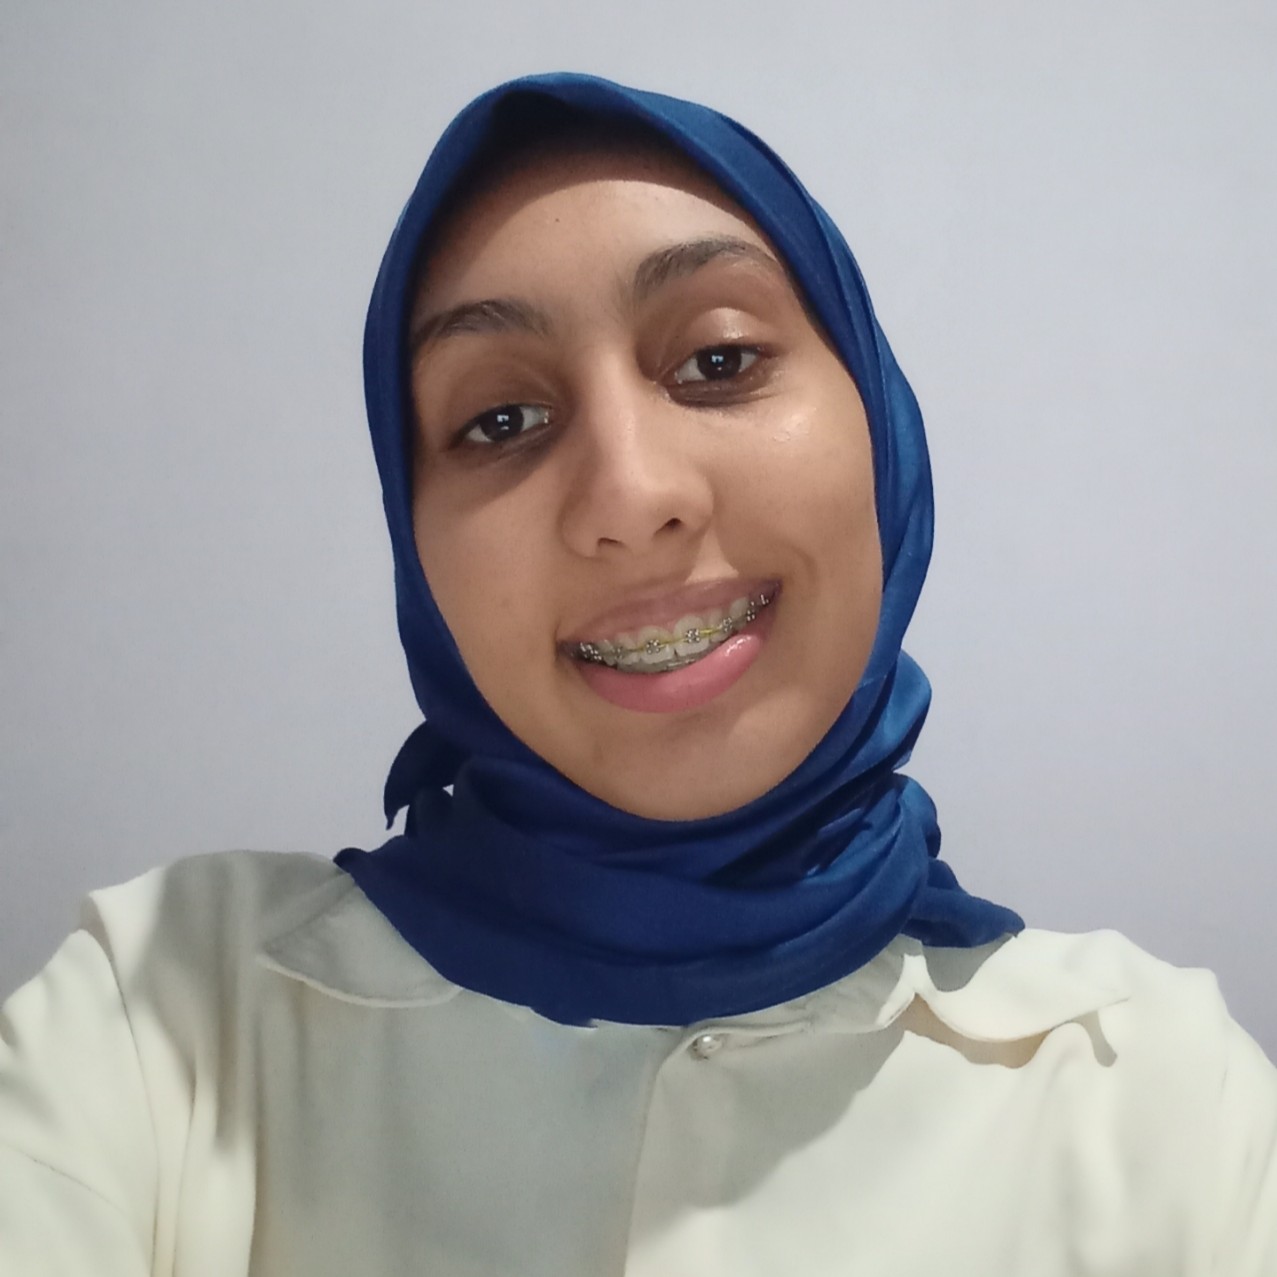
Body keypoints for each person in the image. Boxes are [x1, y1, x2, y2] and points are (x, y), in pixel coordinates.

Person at [1, 72, 1274, 1275]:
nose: (628, 495)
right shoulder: (163, 1026)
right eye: (500, 419)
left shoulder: (1153, 1100)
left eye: (717, 359)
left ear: (878, 424)